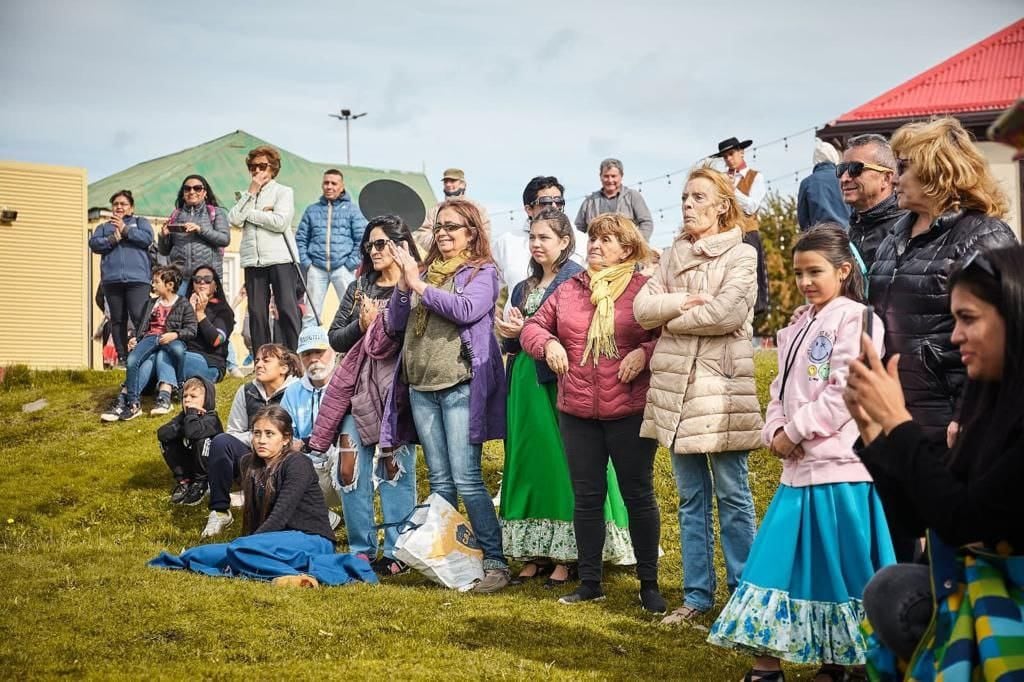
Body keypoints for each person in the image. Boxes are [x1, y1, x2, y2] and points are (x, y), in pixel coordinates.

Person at [707, 225, 896, 682]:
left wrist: (796, 431)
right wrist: (775, 427)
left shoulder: (857, 318)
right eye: (798, 273)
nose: (806, 281)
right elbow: (780, 387)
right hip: (799, 470)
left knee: (841, 575)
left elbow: (847, 389)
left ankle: (841, 663)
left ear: (844, 270)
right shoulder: (799, 323)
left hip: (840, 471)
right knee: (774, 567)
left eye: (816, 272)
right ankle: (768, 666)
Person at [847, 245, 1024, 679]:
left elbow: (965, 520)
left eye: (968, 318)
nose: (954, 336)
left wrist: (899, 423)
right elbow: (920, 517)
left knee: (898, 595)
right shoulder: (990, 400)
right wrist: (876, 434)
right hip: (982, 584)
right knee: (890, 588)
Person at [633, 168, 762, 624]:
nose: (688, 204)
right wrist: (677, 305)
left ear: (722, 205)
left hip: (720, 391)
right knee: (690, 499)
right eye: (685, 196)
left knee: (733, 495)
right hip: (676, 393)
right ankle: (697, 596)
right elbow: (642, 309)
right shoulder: (671, 255)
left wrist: (673, 317)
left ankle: (746, 596)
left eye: (698, 197)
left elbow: (728, 313)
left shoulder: (742, 254)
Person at [521, 213, 665, 612]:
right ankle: (590, 582)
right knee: (586, 497)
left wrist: (644, 353)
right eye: (594, 239)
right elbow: (533, 327)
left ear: (628, 249)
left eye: (607, 240)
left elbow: (666, 336)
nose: (596, 246)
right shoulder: (570, 289)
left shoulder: (643, 290)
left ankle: (649, 584)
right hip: (577, 410)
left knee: (638, 495)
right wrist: (547, 345)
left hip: (629, 410)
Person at [497, 208, 636, 586]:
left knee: (561, 463)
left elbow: (577, 331)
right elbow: (515, 340)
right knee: (529, 461)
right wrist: (508, 331)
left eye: (545, 237)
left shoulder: (575, 279)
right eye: (533, 237)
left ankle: (569, 552)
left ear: (564, 242)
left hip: (557, 379)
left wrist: (531, 330)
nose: (537, 243)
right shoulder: (523, 286)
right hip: (524, 379)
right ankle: (535, 550)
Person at [381, 198, 509, 593]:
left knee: (468, 479)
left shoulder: (482, 272)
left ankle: (495, 563)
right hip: (421, 387)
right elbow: (396, 323)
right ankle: (453, 560)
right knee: (439, 481)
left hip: (459, 385)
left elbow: (468, 309)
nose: (443, 233)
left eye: (452, 226)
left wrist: (418, 283)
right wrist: (404, 288)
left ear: (471, 232)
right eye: (439, 227)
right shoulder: (427, 272)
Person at [869, 117, 1016, 452]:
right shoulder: (893, 238)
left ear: (938, 171)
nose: (894, 178)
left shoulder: (983, 235)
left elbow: (1006, 336)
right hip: (898, 420)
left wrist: (971, 413)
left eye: (904, 166)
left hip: (952, 427)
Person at [149, 406, 377, 588]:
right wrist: (249, 542)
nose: (261, 440)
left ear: (286, 438)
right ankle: (261, 564)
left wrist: (248, 545)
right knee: (195, 555)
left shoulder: (298, 463)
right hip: (274, 541)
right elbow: (254, 517)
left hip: (311, 540)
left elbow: (281, 514)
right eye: (257, 433)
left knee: (238, 551)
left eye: (270, 434)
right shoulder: (249, 464)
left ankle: (299, 575)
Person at [312, 215, 421, 576]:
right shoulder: (360, 287)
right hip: (356, 387)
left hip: (397, 391)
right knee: (348, 466)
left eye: (380, 244)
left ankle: (397, 549)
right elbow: (334, 337)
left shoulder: (414, 285)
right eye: (368, 245)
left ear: (399, 245)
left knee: (394, 468)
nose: (372, 251)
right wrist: (361, 324)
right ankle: (361, 547)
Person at [202, 344, 301, 538]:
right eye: (256, 360)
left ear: (284, 368)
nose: (258, 365)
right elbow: (233, 432)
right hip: (254, 458)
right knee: (221, 441)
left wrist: (271, 440)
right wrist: (259, 437)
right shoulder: (246, 391)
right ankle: (220, 511)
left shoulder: (297, 390)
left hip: (287, 461)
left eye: (266, 360)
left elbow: (297, 435)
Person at [100, 266, 197, 422]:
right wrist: (136, 338)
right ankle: (132, 403)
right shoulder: (151, 303)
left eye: (157, 281)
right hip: (151, 338)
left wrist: (175, 334)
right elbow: (142, 325)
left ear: (170, 285)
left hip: (171, 338)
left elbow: (192, 329)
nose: (152, 284)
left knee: (175, 352)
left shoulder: (183, 304)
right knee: (133, 360)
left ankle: (177, 387)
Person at [227, 145, 301, 352]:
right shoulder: (245, 195)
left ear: (273, 168)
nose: (257, 171)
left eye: (262, 166)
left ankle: (295, 355)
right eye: (253, 167)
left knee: (287, 309)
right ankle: (262, 358)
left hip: (280, 258)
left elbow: (280, 222)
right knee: (257, 313)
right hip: (253, 260)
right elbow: (233, 219)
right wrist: (251, 195)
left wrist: (250, 213)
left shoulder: (284, 191)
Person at [279, 326, 342, 529]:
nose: (314, 359)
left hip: (341, 461)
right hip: (309, 467)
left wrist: (305, 443)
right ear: (300, 358)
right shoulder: (292, 392)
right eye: (307, 354)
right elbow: (285, 435)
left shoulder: (346, 384)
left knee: (345, 454)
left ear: (334, 352)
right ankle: (325, 518)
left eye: (319, 352)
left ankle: (358, 522)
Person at [88, 190, 155, 367]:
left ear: (131, 208)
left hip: (138, 280)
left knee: (140, 317)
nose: (119, 207)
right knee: (117, 319)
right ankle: (123, 358)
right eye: (116, 204)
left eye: (123, 204)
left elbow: (147, 239)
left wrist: (125, 231)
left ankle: (143, 353)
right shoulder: (103, 227)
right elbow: (94, 244)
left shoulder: (140, 223)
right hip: (112, 280)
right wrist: (112, 239)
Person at [295, 169, 368, 327]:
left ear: (342, 187)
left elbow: (362, 239)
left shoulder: (352, 210)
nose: (329, 186)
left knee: (351, 310)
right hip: (316, 268)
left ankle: (351, 347)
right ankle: (309, 350)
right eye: (326, 183)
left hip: (342, 268)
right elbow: (300, 238)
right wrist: (307, 263)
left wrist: (350, 264)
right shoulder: (312, 210)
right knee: (310, 314)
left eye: (333, 183)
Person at [491, 176, 587, 296]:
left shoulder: (583, 241)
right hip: (517, 312)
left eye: (558, 202)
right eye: (545, 202)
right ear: (529, 209)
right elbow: (487, 287)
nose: (553, 207)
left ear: (565, 242)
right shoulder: (506, 241)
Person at [714, 137, 770, 317]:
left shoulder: (756, 177)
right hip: (725, 233)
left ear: (741, 152)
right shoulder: (721, 179)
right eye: (725, 157)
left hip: (748, 232)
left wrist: (732, 190)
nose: (729, 159)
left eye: (731, 154)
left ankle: (754, 312)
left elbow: (752, 206)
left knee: (751, 275)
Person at [840, 133, 905, 270]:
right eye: (841, 170)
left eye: (855, 169)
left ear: (886, 179)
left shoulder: (908, 230)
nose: (844, 178)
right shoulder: (848, 234)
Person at [157, 376, 223, 507]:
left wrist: (192, 416)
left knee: (201, 439)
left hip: (211, 468)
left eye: (193, 396)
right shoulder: (183, 417)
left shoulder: (211, 419)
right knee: (167, 441)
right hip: (192, 462)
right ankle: (185, 481)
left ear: (207, 399)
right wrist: (182, 426)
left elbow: (193, 432)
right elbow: (162, 434)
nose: (187, 400)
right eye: (184, 396)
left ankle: (202, 483)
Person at [158, 175, 231, 282]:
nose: (191, 192)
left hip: (206, 278)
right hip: (179, 278)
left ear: (205, 193)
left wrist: (200, 230)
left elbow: (224, 239)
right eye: (187, 189)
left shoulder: (215, 212)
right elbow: (164, 251)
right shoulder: (176, 215)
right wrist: (163, 236)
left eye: (197, 188)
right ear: (183, 194)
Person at [412, 169, 491, 256]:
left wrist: (465, 249)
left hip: (471, 258)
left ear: (463, 184)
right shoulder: (434, 210)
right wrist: (443, 245)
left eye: (453, 181)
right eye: (446, 181)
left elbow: (484, 233)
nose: (448, 184)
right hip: (440, 259)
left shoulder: (477, 208)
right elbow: (422, 233)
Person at [574, 159, 654, 242]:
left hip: (627, 249)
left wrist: (636, 243)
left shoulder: (633, 196)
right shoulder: (589, 201)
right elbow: (578, 229)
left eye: (613, 176)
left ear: (621, 176)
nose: (610, 180)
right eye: (606, 176)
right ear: (600, 176)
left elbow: (646, 223)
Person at [797, 139, 849, 231]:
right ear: (834, 156)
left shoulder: (807, 183)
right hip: (846, 235)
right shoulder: (845, 178)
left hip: (820, 237)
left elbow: (803, 220)